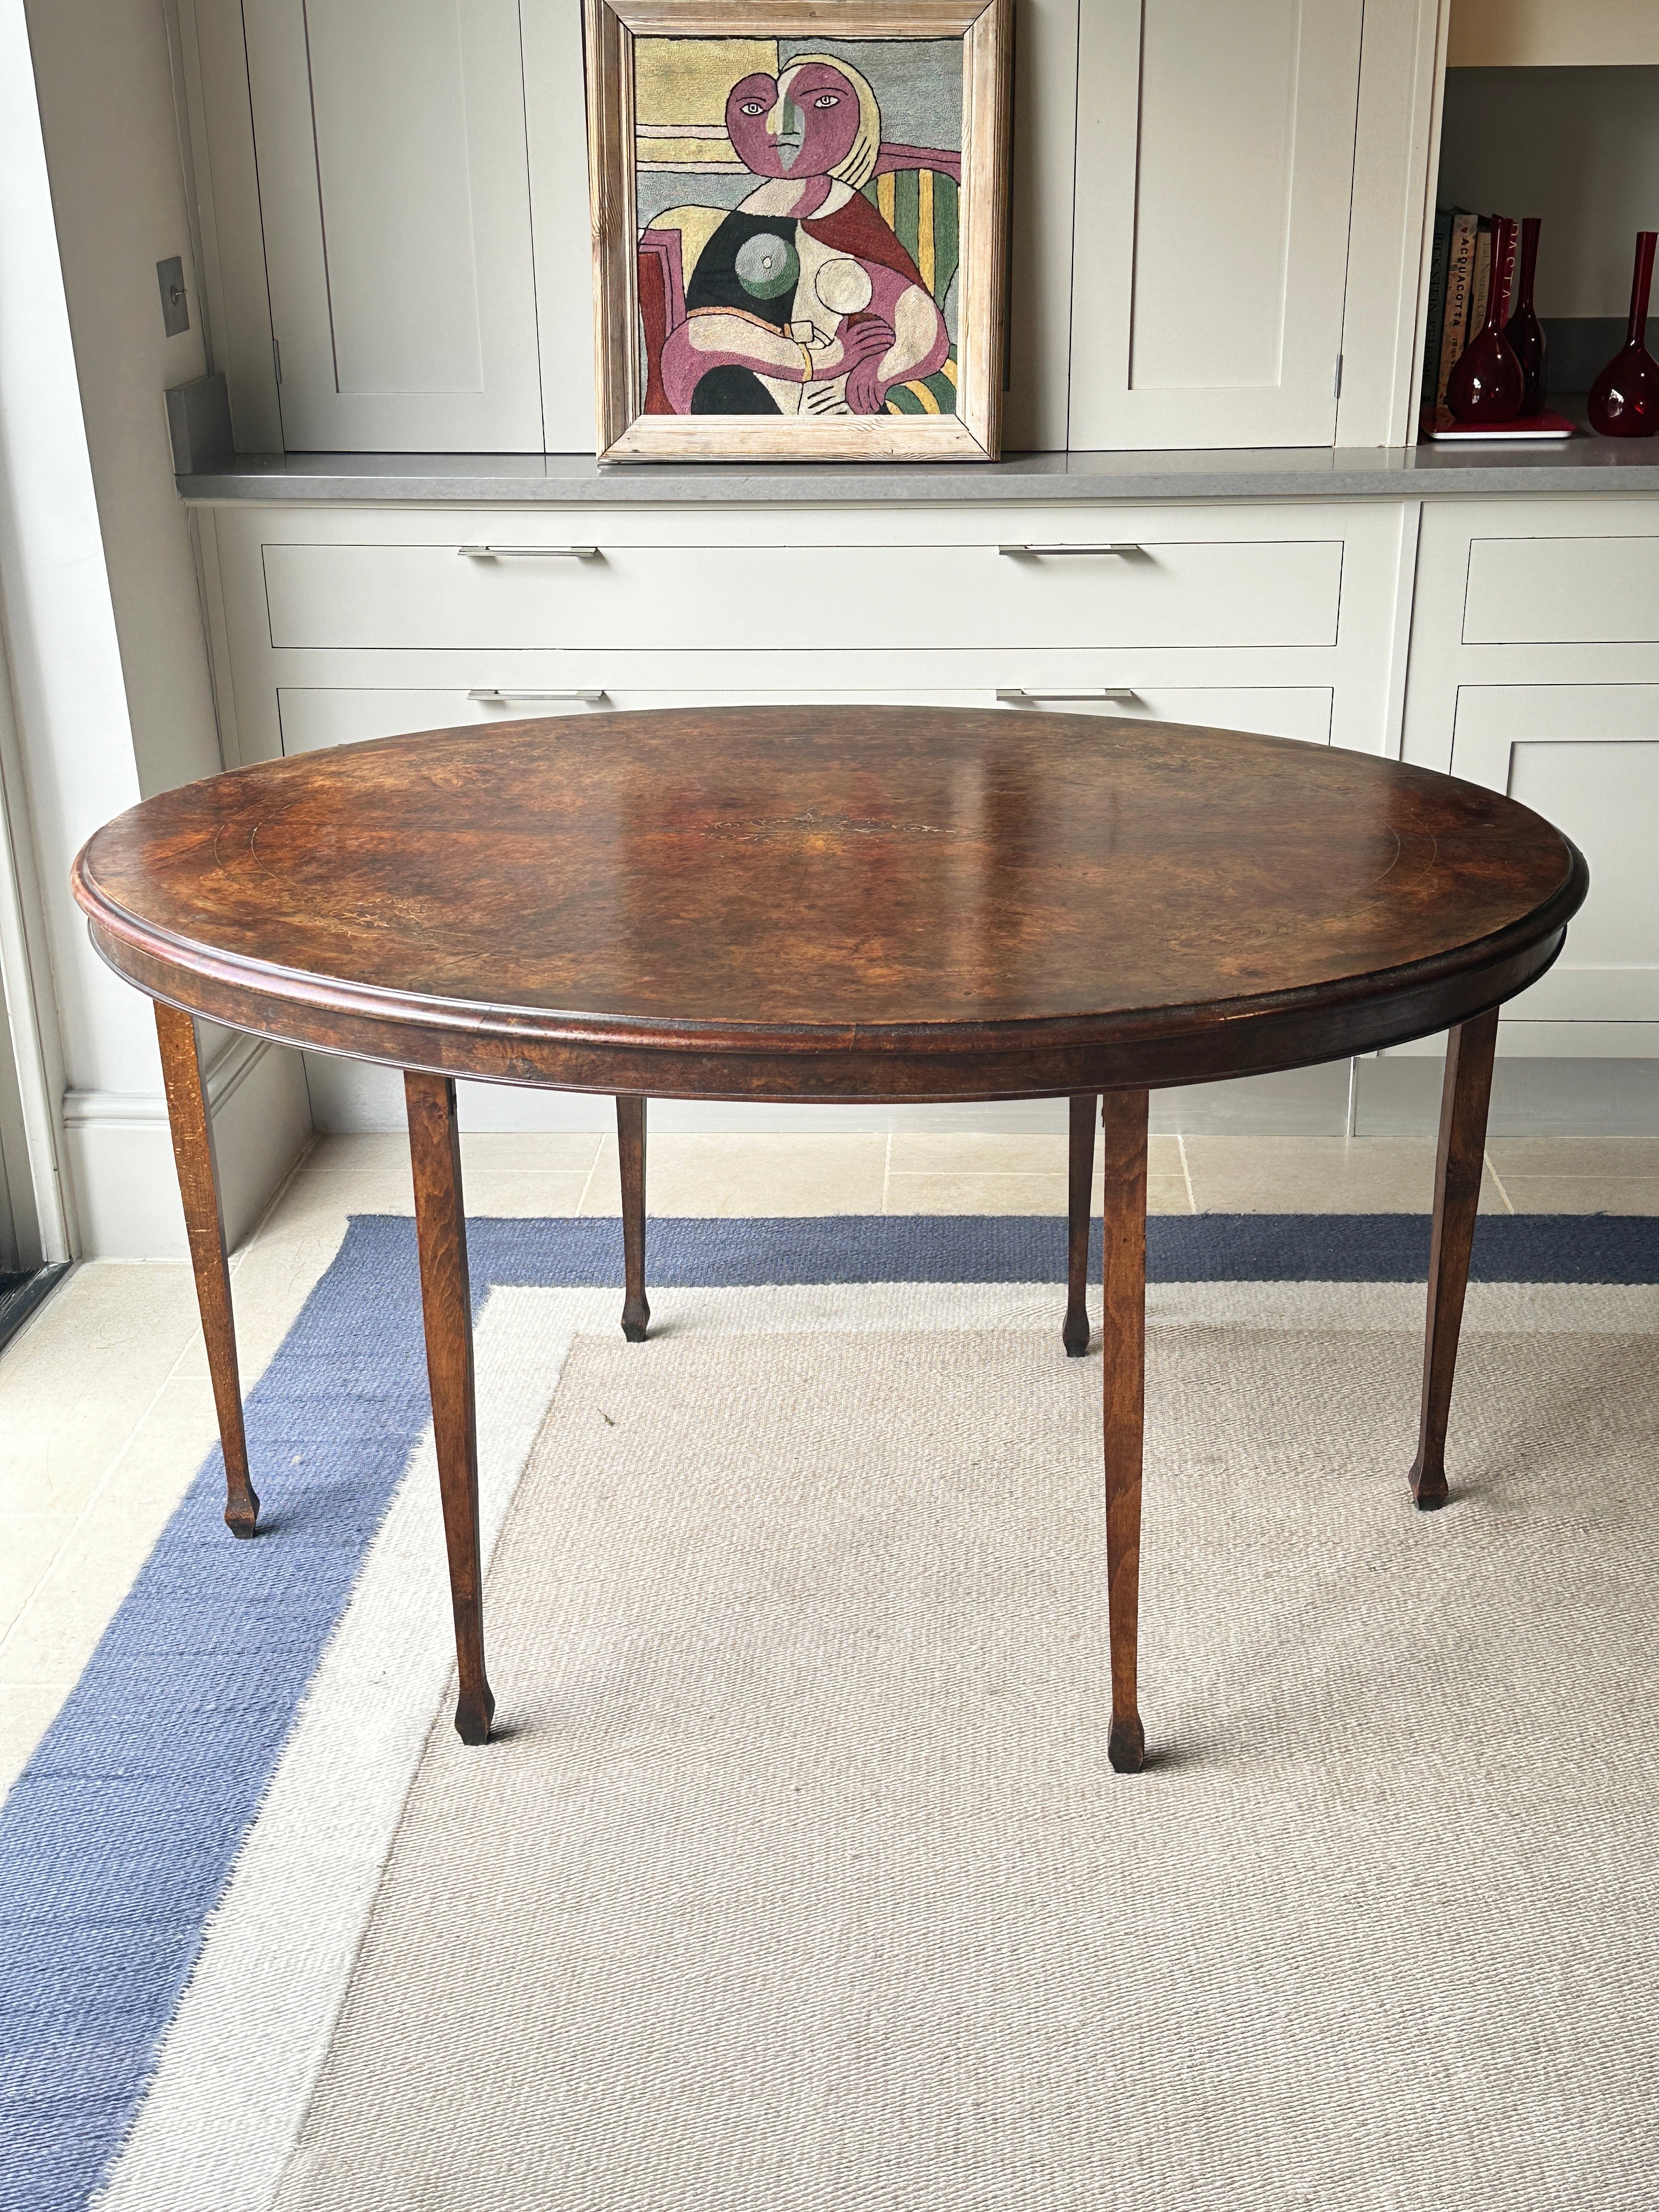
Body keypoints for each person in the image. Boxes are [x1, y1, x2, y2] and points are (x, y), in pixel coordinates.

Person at [650, 55, 951, 417]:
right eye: (756, 108)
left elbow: (921, 325)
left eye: (822, 102)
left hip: (835, 403)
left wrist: (880, 372)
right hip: (753, 393)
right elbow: (700, 338)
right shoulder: (748, 218)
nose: (782, 128)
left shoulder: (845, 215)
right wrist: (822, 359)